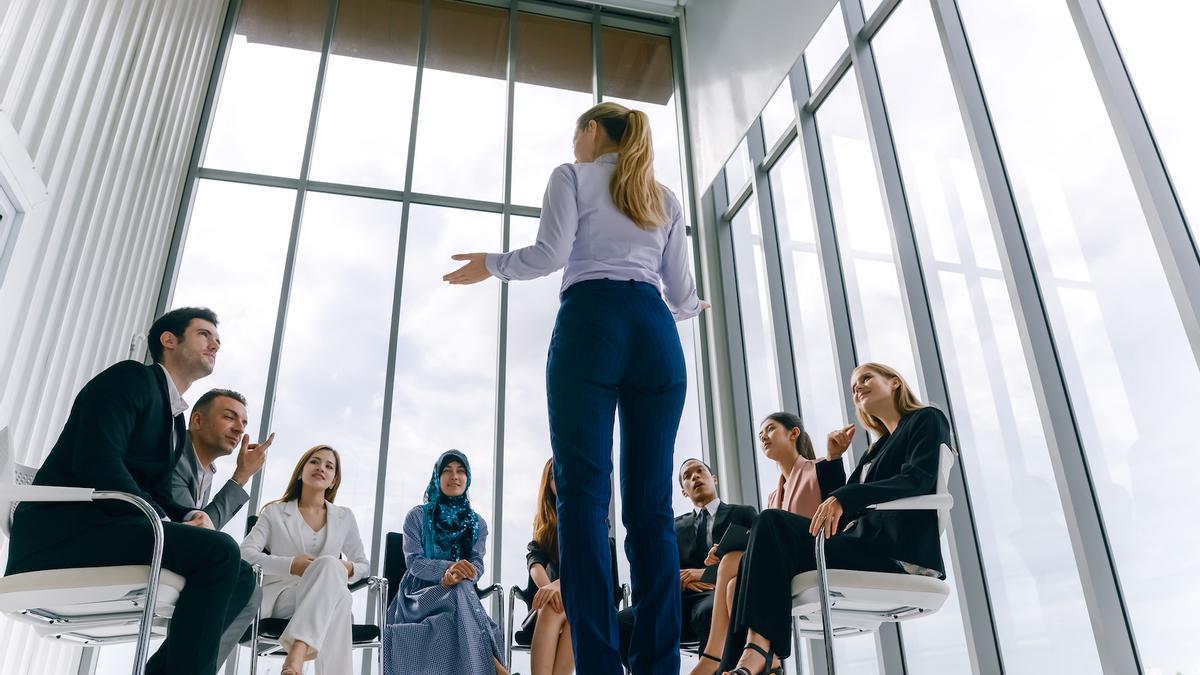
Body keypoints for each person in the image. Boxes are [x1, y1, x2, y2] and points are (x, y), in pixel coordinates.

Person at [444, 101, 708, 674]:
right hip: (656, 333)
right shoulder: (663, 197)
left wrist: (491, 262)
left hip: (592, 324)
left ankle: (598, 665)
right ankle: (659, 666)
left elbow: (550, 255)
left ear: (593, 130)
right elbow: (683, 294)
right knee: (651, 511)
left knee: (584, 500)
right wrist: (689, 308)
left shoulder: (572, 177)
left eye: (576, 135)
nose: (573, 147)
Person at [5, 307, 256, 675]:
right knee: (219, 552)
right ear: (169, 341)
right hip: (65, 532)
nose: (215, 343)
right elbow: (99, 461)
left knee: (242, 574)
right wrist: (162, 517)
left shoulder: (175, 420)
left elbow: (153, 488)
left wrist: (187, 514)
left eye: (217, 339)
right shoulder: (129, 379)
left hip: (108, 526)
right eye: (204, 334)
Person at [718, 363, 953, 675]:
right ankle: (749, 659)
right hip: (860, 542)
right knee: (767, 527)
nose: (857, 389)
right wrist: (834, 459)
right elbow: (838, 507)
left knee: (773, 523)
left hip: (892, 551)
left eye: (866, 379)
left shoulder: (925, 418)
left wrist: (845, 497)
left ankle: (756, 655)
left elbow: (919, 478)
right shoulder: (877, 449)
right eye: (853, 387)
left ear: (895, 382)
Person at [689, 413, 844, 674]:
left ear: (793, 433)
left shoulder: (820, 467)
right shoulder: (774, 495)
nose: (763, 437)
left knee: (732, 562)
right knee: (733, 585)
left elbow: (839, 513)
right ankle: (767, 665)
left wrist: (835, 459)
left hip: (816, 553)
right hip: (779, 567)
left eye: (770, 430)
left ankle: (715, 656)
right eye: (761, 435)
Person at [158, 387, 274, 664]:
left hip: (179, 551)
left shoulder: (203, 470)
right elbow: (197, 529)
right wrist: (241, 476)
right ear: (196, 420)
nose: (238, 429)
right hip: (151, 542)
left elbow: (201, 525)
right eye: (229, 417)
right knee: (239, 576)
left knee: (249, 591)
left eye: (244, 423)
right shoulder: (173, 456)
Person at [241, 444, 369, 675]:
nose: (321, 468)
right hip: (284, 598)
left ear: (333, 480)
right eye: (315, 462)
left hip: (323, 601)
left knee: (334, 578)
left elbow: (363, 566)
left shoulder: (345, 517)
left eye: (329, 466)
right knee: (339, 598)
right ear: (301, 471)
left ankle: (297, 655)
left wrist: (347, 568)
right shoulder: (274, 513)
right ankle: (297, 654)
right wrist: (291, 565)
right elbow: (245, 554)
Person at [617, 458, 757, 670]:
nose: (695, 477)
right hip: (680, 598)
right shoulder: (674, 526)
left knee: (709, 612)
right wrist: (678, 579)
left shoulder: (743, 513)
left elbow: (756, 557)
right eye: (687, 476)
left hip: (719, 595)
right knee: (623, 621)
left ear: (714, 479)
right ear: (684, 492)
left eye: (700, 471)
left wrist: (705, 575)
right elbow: (662, 568)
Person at [384, 450, 507, 675]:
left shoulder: (477, 523)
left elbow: (477, 565)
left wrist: (461, 574)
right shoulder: (417, 516)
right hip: (418, 595)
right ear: (437, 477)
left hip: (460, 592)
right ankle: (497, 669)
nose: (454, 476)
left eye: (461, 471)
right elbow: (415, 563)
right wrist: (448, 569)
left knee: (458, 590)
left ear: (467, 478)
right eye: (447, 471)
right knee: (458, 592)